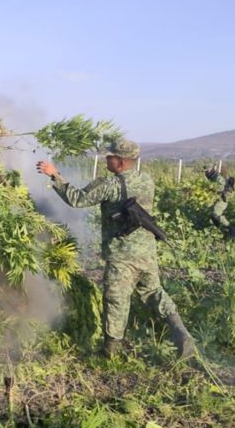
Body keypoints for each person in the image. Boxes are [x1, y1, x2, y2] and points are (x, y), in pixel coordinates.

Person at [36, 138, 195, 360]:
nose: (106, 159)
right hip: (146, 253)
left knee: (115, 300)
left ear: (120, 162)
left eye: (109, 156)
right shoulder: (147, 180)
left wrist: (55, 175)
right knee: (154, 292)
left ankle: (110, 353)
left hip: (122, 257)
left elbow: (76, 199)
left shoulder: (109, 185)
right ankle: (183, 335)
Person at [204, 166, 235, 237]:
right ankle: (221, 230)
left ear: (211, 171)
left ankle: (231, 229)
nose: (206, 173)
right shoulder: (214, 178)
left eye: (206, 172)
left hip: (222, 200)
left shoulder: (218, 178)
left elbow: (221, 187)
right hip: (218, 199)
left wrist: (211, 189)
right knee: (212, 215)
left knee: (215, 215)